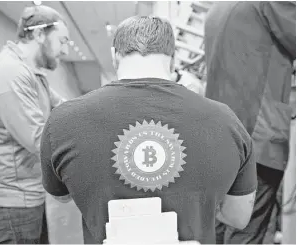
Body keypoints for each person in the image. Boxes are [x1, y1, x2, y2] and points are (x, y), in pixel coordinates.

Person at [40, 16, 257, 244]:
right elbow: (239, 216)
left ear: (115, 56)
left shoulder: (63, 121)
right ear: (172, 59)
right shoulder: (227, 122)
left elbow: (62, 197)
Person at [0, 5, 69, 244]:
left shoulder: (32, 75)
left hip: (23, 197)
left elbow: (66, 109)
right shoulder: (10, 72)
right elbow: (37, 139)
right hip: (6, 203)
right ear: (38, 35)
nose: (65, 50)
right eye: (62, 40)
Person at [204, 1, 296, 244]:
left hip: (218, 135)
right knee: (246, 233)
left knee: (219, 229)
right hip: (256, 135)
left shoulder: (217, 8)